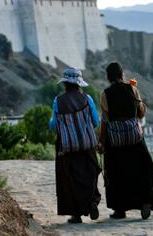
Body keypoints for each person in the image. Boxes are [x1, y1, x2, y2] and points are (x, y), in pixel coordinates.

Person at [100, 62, 153, 220]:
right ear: (122, 74)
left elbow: (104, 120)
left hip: (115, 141)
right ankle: (145, 201)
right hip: (135, 138)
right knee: (143, 170)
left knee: (116, 173)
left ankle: (120, 210)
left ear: (108, 77)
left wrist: (101, 142)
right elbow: (140, 113)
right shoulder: (132, 88)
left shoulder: (105, 94)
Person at [49, 68, 101, 224]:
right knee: (90, 173)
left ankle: (76, 215)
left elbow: (54, 125)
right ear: (79, 84)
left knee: (70, 179)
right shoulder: (87, 98)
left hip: (67, 147)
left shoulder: (58, 101)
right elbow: (96, 122)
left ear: (65, 83)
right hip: (87, 146)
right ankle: (92, 201)